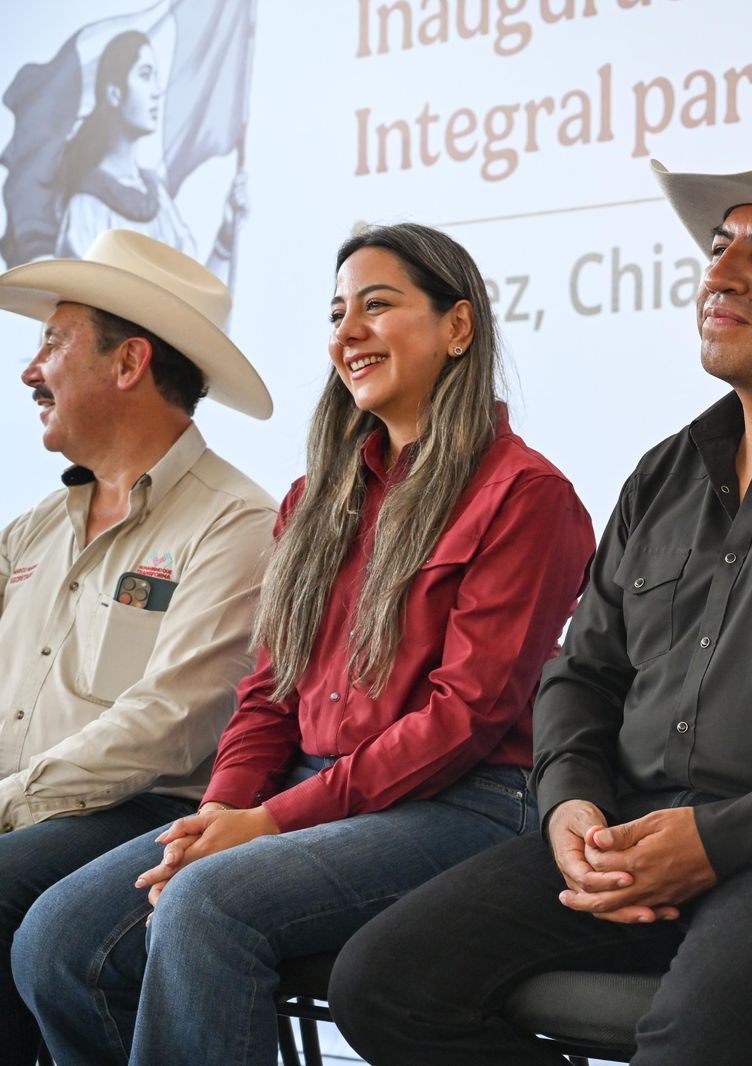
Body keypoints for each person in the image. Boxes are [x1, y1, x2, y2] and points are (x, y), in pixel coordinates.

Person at [330, 128, 752, 1065]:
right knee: (382, 983)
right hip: (634, 833)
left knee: (701, 1037)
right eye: (719, 247)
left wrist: (716, 840)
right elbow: (580, 675)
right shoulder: (666, 473)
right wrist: (570, 806)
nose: (720, 273)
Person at [14, 222, 596, 1065]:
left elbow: (464, 718)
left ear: (459, 327)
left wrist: (269, 820)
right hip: (309, 789)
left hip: (465, 802)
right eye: (335, 314)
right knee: (58, 938)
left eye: (376, 305)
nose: (347, 332)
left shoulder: (525, 494)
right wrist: (221, 813)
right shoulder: (313, 498)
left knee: (207, 906)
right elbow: (267, 695)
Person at [0, 229, 275, 1066]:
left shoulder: (235, 522)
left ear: (129, 364)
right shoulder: (31, 530)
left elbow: (169, 725)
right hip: (27, 810)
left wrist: (8, 801)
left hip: (146, 812)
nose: (30, 370)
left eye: (54, 342)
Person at [53, 30, 246, 279]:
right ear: (115, 94)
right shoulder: (86, 208)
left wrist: (225, 237)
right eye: (145, 75)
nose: (157, 91)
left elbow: (192, 297)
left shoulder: (159, 201)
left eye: (156, 77)